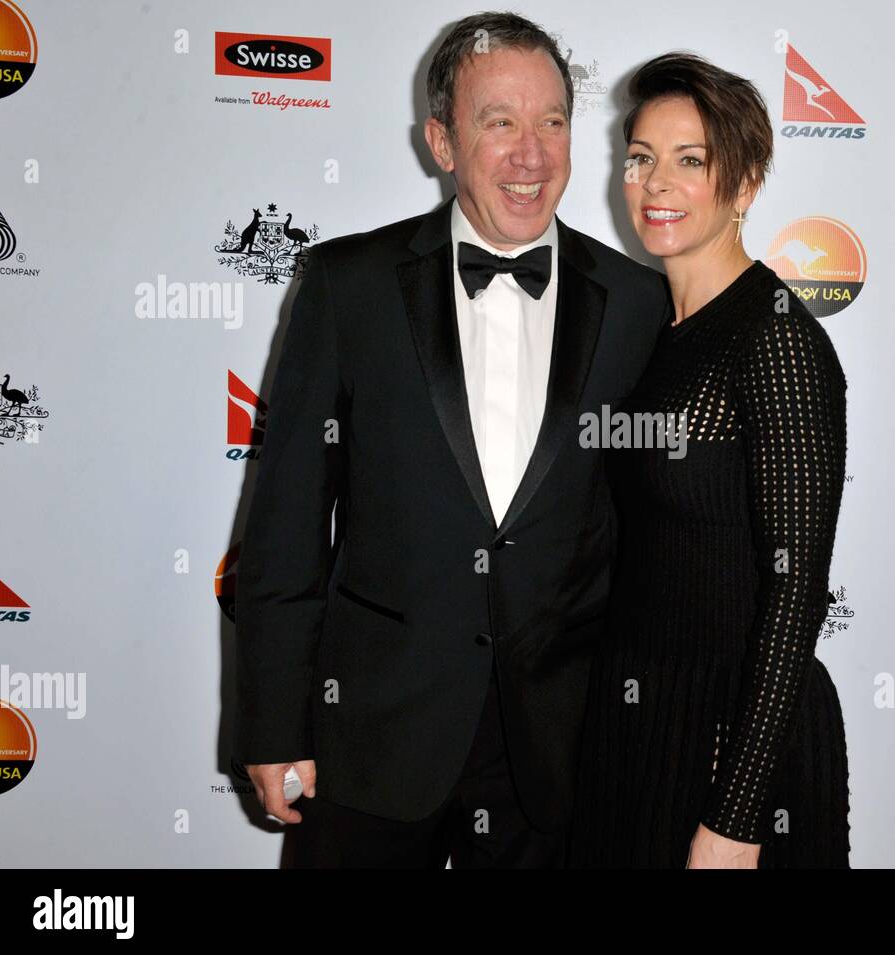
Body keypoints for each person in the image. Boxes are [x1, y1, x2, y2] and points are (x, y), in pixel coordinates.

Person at [231, 12, 671, 868]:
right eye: (498, 122)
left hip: (559, 752)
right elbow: (285, 528)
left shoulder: (638, 303)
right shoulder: (347, 287)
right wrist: (273, 723)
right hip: (371, 740)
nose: (531, 154)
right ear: (441, 139)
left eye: (551, 122)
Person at [568, 53, 851, 868]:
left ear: (747, 182)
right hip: (638, 719)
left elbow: (796, 592)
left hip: (733, 737)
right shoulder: (650, 328)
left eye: (692, 160)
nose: (657, 183)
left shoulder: (779, 343)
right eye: (642, 158)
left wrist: (736, 814)